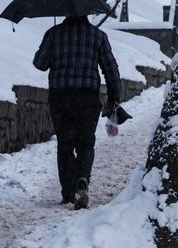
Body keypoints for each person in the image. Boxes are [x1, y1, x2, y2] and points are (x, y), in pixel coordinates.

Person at [33, 14, 122, 209]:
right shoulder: (98, 36)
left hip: (60, 97)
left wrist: (51, 43)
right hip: (87, 98)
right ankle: (82, 180)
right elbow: (110, 68)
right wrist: (115, 95)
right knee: (85, 143)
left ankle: (68, 192)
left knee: (64, 144)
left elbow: (40, 64)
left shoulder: (54, 34)